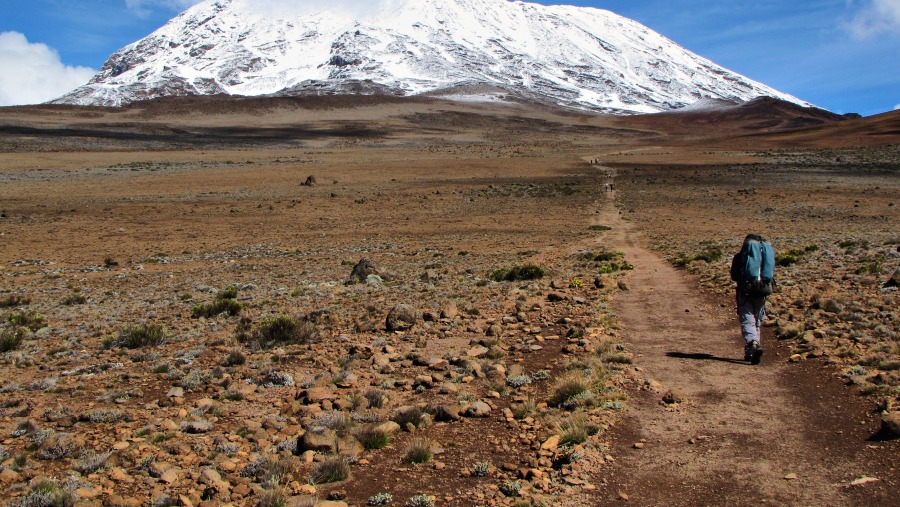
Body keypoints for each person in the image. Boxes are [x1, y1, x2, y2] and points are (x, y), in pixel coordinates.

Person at [730, 234, 775, 365]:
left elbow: (734, 275)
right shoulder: (764, 258)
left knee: (747, 317)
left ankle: (752, 343)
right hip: (763, 290)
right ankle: (752, 351)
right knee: (757, 320)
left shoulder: (741, 257)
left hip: (746, 290)